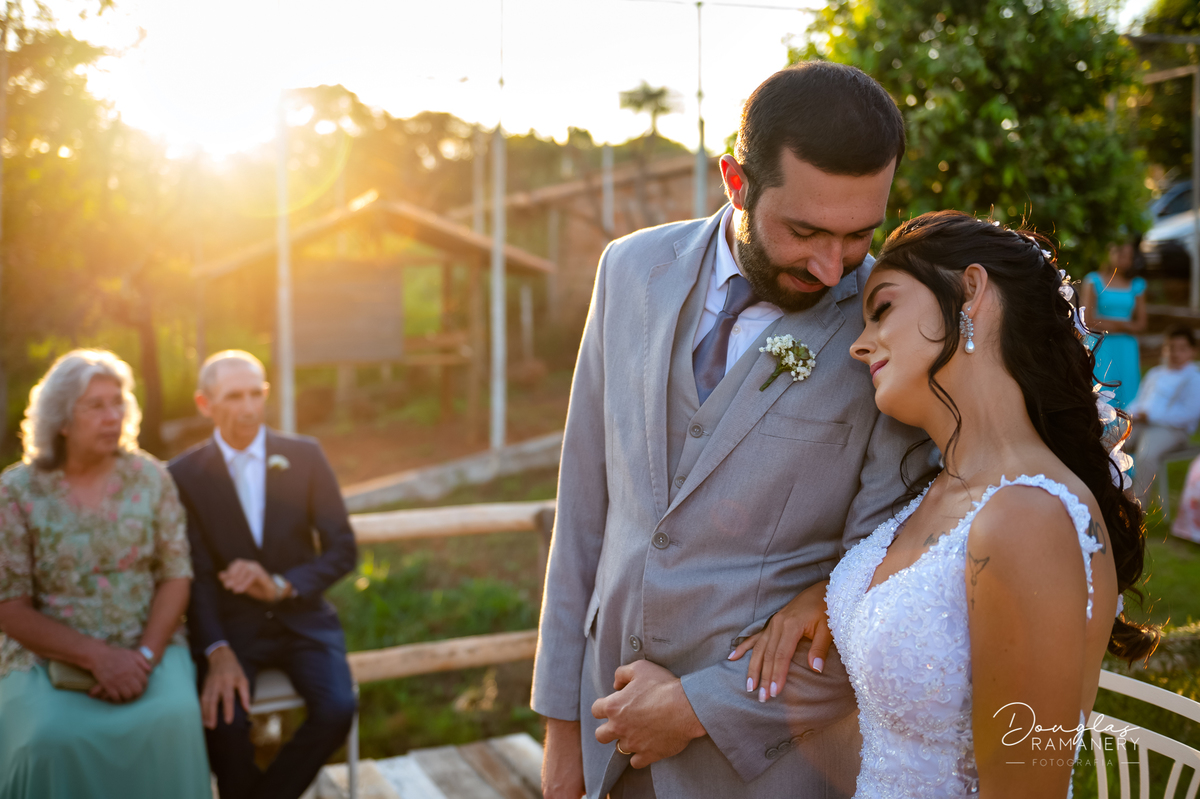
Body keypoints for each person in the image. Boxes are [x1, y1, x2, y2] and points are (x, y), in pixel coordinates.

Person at [535, 62, 930, 799]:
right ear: (735, 182)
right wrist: (562, 728)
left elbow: (881, 597)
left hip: (762, 771)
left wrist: (696, 708)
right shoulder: (628, 270)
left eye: (858, 235)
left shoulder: (891, 330)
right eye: (805, 230)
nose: (832, 267)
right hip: (601, 734)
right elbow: (583, 512)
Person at [734, 211, 1160, 797]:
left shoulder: (1031, 519)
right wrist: (828, 599)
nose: (859, 346)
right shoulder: (938, 493)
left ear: (971, 292)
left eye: (883, 309)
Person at [0, 349, 210, 799]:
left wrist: (144, 657)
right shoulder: (15, 490)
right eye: (95, 406)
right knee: (50, 741)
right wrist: (97, 657)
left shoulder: (151, 478)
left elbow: (176, 576)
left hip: (147, 649)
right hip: (47, 658)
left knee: (173, 718)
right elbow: (9, 606)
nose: (112, 416)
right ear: (61, 419)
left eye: (117, 402)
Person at [169, 350, 358, 799]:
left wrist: (282, 585)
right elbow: (194, 574)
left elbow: (343, 549)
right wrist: (216, 650)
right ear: (204, 404)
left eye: (257, 394)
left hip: (302, 620)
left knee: (337, 708)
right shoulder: (180, 476)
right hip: (231, 631)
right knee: (223, 726)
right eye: (234, 397)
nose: (249, 408)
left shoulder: (305, 456)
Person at [1125, 326, 1200, 512]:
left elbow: (1189, 414)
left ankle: (1136, 510)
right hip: (1144, 424)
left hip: (1173, 430)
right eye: (1171, 348)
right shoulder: (1156, 373)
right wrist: (1133, 413)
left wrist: (1151, 416)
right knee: (1111, 442)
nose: (1175, 353)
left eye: (1182, 349)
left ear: (1192, 351)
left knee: (1146, 454)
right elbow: (1139, 400)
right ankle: (1109, 495)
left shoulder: (1193, 378)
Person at [1080, 236, 1147, 408]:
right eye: (1121, 254)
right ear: (1109, 253)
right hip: (1101, 344)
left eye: (1129, 256)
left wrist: (1108, 323)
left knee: (1127, 389)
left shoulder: (1137, 284)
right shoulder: (1093, 280)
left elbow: (1141, 324)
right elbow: (1088, 320)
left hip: (1126, 347)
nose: (1125, 260)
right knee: (1101, 387)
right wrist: (1124, 325)